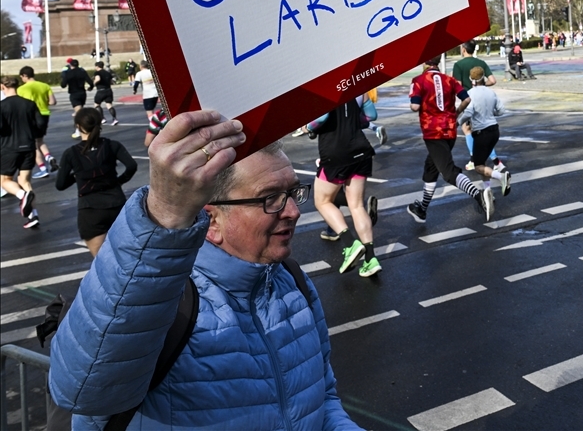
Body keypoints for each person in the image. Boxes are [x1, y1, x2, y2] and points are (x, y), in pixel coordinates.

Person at [49, 110, 363, 429]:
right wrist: (164, 214)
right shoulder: (164, 303)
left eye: (293, 192)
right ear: (212, 220)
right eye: (271, 199)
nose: (294, 211)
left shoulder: (292, 282)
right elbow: (82, 391)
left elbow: (323, 399)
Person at [407, 55, 495, 223]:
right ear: (438, 62)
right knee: (431, 168)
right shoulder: (450, 80)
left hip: (433, 132)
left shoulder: (419, 80)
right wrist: (456, 113)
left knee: (448, 172)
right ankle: (422, 209)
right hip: (450, 129)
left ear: (424, 62)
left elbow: (415, 106)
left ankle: (479, 196)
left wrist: (415, 103)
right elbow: (466, 99)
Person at [310, 96, 381, 278]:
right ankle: (370, 260)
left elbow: (320, 118)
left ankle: (350, 244)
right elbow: (371, 115)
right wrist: (354, 123)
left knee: (322, 201)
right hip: (361, 149)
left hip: (336, 153)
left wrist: (308, 127)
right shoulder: (358, 88)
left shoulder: (325, 89)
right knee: (356, 205)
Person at [55, 108, 137, 256]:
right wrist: (119, 181)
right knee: (128, 256)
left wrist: (76, 176)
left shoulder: (71, 153)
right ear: (100, 124)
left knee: (101, 261)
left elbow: (60, 184)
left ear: (78, 126)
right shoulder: (112, 145)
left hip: (90, 210)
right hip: (116, 204)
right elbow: (131, 166)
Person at [460, 66, 511, 198]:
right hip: (494, 130)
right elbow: (501, 110)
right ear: (484, 77)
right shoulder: (491, 92)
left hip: (482, 133)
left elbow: (469, 112)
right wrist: (489, 113)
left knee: (477, 167)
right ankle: (488, 191)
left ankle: (501, 176)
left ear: (472, 79)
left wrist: (457, 122)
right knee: (482, 163)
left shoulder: (471, 93)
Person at [452, 40, 503, 171]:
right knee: (481, 132)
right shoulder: (481, 63)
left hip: (468, 100)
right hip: (483, 100)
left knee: (468, 130)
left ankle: (480, 159)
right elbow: (493, 80)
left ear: (463, 49)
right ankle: (487, 160)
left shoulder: (458, 65)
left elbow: (456, 86)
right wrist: (482, 86)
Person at [1, 76, 42, 228]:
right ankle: (33, 215)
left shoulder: (2, 106)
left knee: (5, 181)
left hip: (9, 148)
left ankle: (22, 196)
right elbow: (40, 124)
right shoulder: (29, 104)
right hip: (29, 147)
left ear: (2, 87)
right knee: (24, 181)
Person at [17, 66, 58, 179]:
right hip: (44, 114)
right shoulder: (45, 86)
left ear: (25, 75)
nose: (22, 80)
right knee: (40, 140)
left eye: (22, 77)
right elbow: (53, 102)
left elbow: (21, 105)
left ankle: (42, 169)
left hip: (31, 117)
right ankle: (49, 157)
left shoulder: (22, 89)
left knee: (33, 144)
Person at [61, 59, 93, 136]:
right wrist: (90, 87)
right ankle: (82, 127)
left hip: (74, 93)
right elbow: (90, 82)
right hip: (82, 93)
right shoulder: (82, 72)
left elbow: (63, 85)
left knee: (79, 113)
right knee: (80, 111)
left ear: (70, 65)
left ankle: (80, 129)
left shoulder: (68, 73)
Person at [93, 60, 119, 125]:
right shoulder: (107, 73)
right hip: (108, 90)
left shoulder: (97, 73)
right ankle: (114, 119)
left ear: (97, 66)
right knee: (109, 105)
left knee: (97, 104)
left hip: (101, 91)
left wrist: (93, 83)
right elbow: (111, 81)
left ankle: (102, 118)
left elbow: (98, 79)